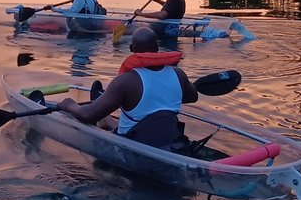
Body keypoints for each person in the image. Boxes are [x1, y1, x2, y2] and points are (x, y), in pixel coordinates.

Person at [56, 26, 199, 149]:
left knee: (111, 121)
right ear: (157, 48)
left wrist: (69, 105)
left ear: (131, 49)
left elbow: (86, 115)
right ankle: (106, 119)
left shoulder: (126, 81)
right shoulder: (179, 75)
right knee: (136, 122)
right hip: (169, 141)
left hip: (133, 143)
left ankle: (104, 113)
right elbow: (192, 97)